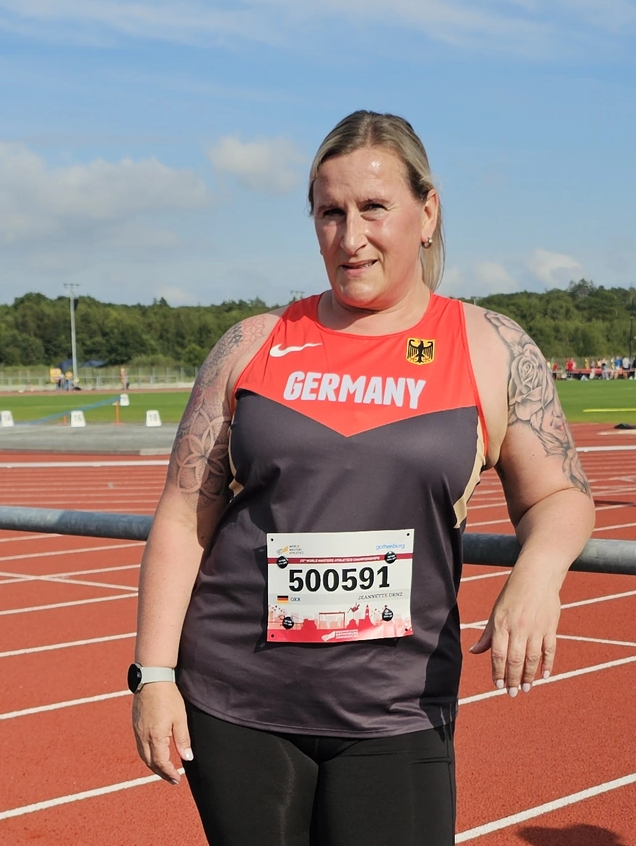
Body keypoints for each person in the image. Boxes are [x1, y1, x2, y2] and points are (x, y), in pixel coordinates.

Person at [130, 111, 596, 846]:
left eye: (373, 208)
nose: (350, 238)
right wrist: (153, 677)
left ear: (427, 212)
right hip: (238, 700)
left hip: (396, 707)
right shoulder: (252, 345)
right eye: (329, 213)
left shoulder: (490, 346)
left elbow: (559, 495)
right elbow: (186, 516)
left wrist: (538, 576)